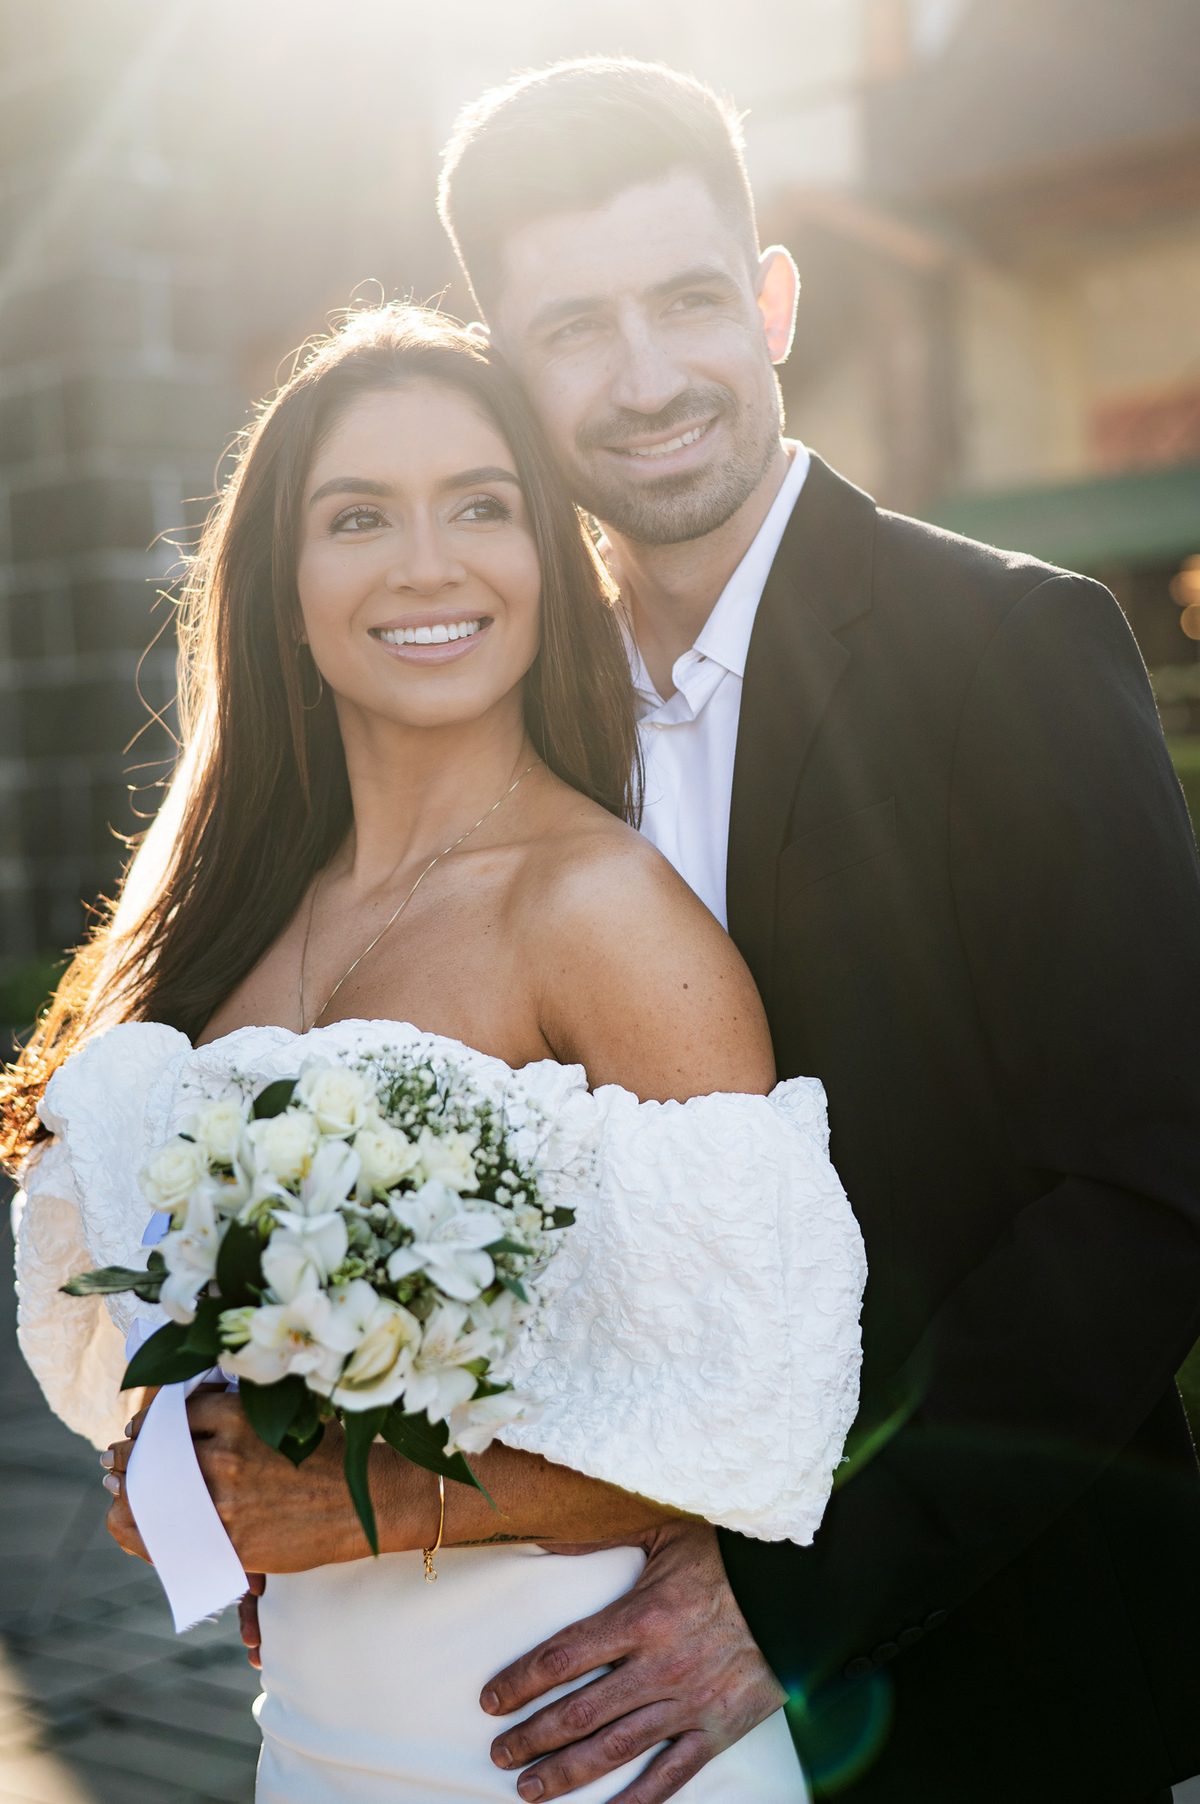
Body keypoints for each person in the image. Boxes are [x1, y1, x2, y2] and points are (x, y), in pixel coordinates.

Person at [420, 56, 1200, 1804]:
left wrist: (792, 1600)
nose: (647, 379)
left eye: (689, 299)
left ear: (772, 303)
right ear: (506, 371)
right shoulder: (505, 719)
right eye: (575, 328)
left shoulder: (1011, 649)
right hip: (591, 1680)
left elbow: (1153, 1192)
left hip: (997, 1683)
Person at [2, 306, 867, 1803]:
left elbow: (766, 1411)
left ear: (547, 560)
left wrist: (375, 1505)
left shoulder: (604, 913)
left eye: (481, 506)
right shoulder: (232, 921)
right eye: (359, 517)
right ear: (281, 586)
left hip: (584, 1751)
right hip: (313, 1747)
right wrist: (186, 1457)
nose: (427, 564)